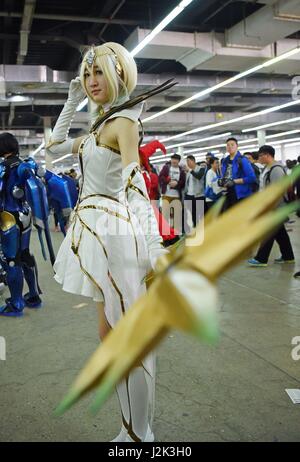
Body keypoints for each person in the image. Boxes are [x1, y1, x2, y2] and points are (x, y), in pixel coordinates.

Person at [46, 42, 170, 442]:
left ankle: (138, 434)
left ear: (119, 74)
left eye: (98, 72)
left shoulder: (124, 123)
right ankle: (131, 428)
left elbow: (136, 187)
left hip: (116, 236)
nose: (91, 81)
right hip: (97, 237)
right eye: (87, 74)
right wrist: (71, 101)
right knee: (110, 336)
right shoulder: (100, 125)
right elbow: (54, 146)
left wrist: (154, 246)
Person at [0, 133, 43, 316]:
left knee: (11, 259)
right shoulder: (26, 164)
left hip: (8, 216)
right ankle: (33, 295)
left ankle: (17, 303)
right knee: (24, 254)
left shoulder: (3, 167)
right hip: (25, 214)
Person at [248, 145, 295, 267]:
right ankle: (288, 256)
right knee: (280, 233)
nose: (259, 158)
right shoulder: (267, 168)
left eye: (260, 156)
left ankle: (261, 259)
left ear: (267, 155)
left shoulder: (276, 169)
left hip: (275, 207)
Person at [220, 137, 257, 211]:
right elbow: (225, 176)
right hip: (228, 194)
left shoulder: (242, 160)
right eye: (228, 145)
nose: (230, 147)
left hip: (241, 195)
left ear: (237, 146)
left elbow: (252, 178)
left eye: (232, 145)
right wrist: (222, 181)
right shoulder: (225, 161)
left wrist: (234, 181)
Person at [159, 153, 186, 234]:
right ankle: (166, 235)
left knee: (176, 217)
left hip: (176, 196)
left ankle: (175, 234)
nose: (174, 161)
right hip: (166, 195)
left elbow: (183, 182)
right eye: (173, 159)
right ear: (171, 160)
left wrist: (177, 184)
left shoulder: (181, 170)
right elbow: (160, 177)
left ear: (178, 161)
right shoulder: (166, 168)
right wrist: (167, 181)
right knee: (165, 216)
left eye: (176, 160)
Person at [183, 155, 206, 231]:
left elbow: (198, 176)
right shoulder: (188, 172)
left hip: (199, 195)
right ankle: (195, 228)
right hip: (189, 195)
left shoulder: (201, 169)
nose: (187, 163)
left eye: (188, 161)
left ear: (193, 161)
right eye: (187, 162)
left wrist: (190, 171)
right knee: (192, 213)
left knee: (200, 214)